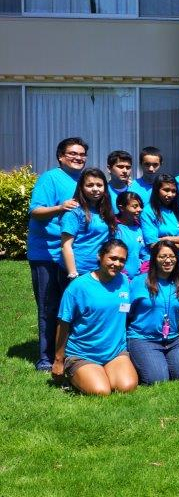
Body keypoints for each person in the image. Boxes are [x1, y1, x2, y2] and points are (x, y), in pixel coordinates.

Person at [28, 136, 87, 371]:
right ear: (60, 157)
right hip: (47, 253)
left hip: (74, 254)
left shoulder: (86, 179)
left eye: (82, 154)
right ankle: (45, 358)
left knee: (72, 306)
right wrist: (60, 207)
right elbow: (36, 211)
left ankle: (70, 352)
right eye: (72, 153)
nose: (78, 157)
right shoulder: (50, 179)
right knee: (49, 305)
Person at [53, 240, 138, 395]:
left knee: (127, 386)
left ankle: (105, 371)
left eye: (122, 260)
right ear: (100, 256)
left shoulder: (124, 281)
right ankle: (75, 372)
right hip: (82, 354)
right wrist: (58, 360)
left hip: (115, 352)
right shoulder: (78, 287)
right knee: (101, 391)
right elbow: (63, 323)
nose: (117, 263)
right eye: (112, 258)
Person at [126, 241, 179, 385]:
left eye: (172, 256)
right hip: (144, 338)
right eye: (162, 256)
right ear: (154, 259)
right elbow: (126, 313)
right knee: (158, 380)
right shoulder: (139, 282)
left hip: (174, 339)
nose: (168, 260)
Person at [60, 169, 117, 281]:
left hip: (100, 270)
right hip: (78, 272)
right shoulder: (74, 212)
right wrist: (73, 274)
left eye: (99, 185)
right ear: (81, 187)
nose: (95, 189)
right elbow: (66, 245)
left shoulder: (105, 210)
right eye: (90, 185)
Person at [141, 175, 179, 250]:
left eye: (173, 191)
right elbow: (153, 244)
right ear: (157, 190)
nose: (170, 194)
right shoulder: (148, 212)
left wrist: (167, 239)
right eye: (166, 190)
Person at [115, 192, 148, 279]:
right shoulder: (114, 228)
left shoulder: (140, 228)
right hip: (119, 278)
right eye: (135, 206)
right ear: (121, 208)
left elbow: (145, 253)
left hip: (139, 278)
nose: (140, 209)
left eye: (140, 206)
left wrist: (144, 272)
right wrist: (123, 275)